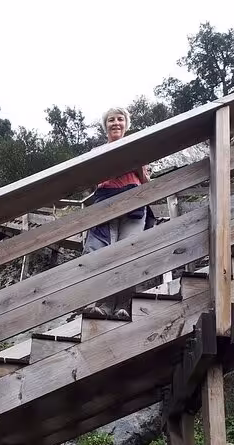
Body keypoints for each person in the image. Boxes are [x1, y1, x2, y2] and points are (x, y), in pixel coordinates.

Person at [82, 107, 152, 320]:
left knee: (128, 253)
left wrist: (137, 161)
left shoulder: (137, 147)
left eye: (120, 119)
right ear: (106, 126)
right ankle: (103, 304)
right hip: (106, 202)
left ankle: (124, 305)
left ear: (126, 124)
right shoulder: (97, 152)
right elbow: (90, 179)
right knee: (104, 252)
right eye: (111, 120)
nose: (115, 123)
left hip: (134, 204)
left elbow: (146, 181)